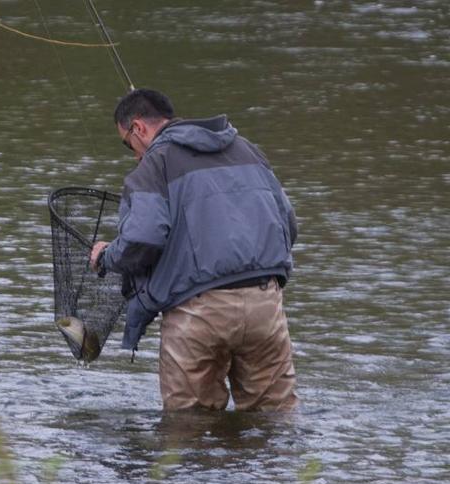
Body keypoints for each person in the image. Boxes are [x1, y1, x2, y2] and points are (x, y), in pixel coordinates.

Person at [89, 89, 298, 412]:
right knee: (275, 420)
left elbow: (142, 239)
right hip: (264, 306)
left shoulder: (153, 166)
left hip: (197, 313)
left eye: (127, 143)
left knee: (189, 428)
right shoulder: (249, 151)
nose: (133, 154)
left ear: (139, 128)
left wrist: (106, 255)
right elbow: (288, 223)